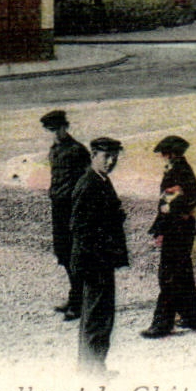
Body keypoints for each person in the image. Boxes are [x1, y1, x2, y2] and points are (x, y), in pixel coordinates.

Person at [69, 137, 129, 375]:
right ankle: (93, 369)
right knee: (98, 315)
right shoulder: (90, 184)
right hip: (94, 259)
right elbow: (79, 226)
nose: (111, 161)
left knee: (96, 313)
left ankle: (90, 366)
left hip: (98, 258)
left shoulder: (100, 180)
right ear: (94, 155)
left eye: (114, 157)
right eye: (106, 156)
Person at [141, 135, 196, 338]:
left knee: (169, 276)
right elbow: (190, 198)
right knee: (183, 273)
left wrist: (161, 229)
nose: (162, 157)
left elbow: (168, 206)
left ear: (172, 154)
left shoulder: (177, 171)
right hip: (182, 228)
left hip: (176, 229)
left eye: (165, 153)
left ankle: (162, 324)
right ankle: (191, 317)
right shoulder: (182, 169)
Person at [43, 109, 90, 320]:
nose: (54, 134)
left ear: (66, 127)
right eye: (51, 130)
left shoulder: (77, 150)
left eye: (57, 129)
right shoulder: (54, 150)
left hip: (73, 208)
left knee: (75, 254)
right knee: (63, 252)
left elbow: (85, 182)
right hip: (58, 207)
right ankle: (75, 296)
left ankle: (79, 301)